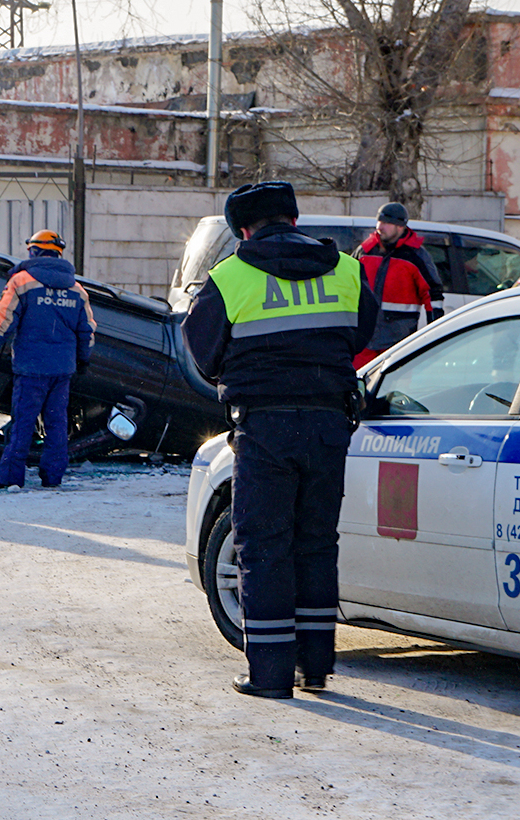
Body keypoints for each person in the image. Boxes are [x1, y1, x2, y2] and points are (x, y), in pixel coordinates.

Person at [181, 182, 379, 699]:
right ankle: (315, 668)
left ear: (243, 228)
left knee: (264, 546)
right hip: (327, 424)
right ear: (293, 219)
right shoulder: (347, 270)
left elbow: (202, 353)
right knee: (315, 543)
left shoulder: (230, 276)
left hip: (265, 426)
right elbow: (362, 333)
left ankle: (270, 674)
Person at [0, 229, 95, 490]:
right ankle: (53, 476)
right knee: (56, 423)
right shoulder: (76, 289)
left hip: (31, 368)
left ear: (35, 251)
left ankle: (11, 475)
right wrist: (83, 359)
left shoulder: (22, 281)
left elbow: (3, 320)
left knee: (23, 422)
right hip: (62, 369)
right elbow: (87, 329)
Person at [352, 202, 445, 366]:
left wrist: (434, 332)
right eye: (379, 221)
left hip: (398, 339)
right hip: (365, 337)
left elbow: (433, 294)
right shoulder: (365, 250)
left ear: (401, 227)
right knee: (359, 383)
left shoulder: (417, 256)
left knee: (393, 386)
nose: (380, 226)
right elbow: (348, 283)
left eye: (387, 223)